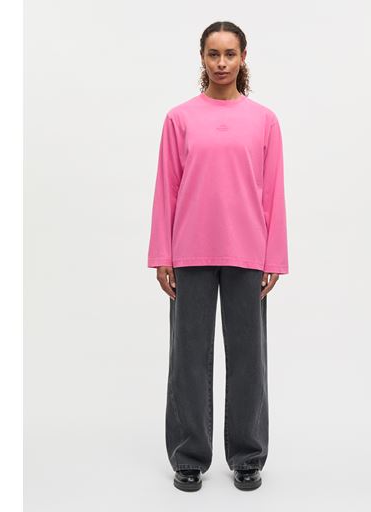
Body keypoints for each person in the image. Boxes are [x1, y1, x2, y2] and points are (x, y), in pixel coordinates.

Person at [147, 20, 289, 492]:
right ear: (202, 58)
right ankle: (189, 456)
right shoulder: (180, 119)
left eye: (230, 53)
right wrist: (162, 254)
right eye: (214, 54)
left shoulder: (264, 120)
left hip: (249, 252)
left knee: (249, 358)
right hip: (190, 252)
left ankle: (248, 456)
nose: (222, 63)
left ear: (243, 57)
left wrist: (274, 257)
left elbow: (273, 194)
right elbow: (166, 189)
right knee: (188, 357)